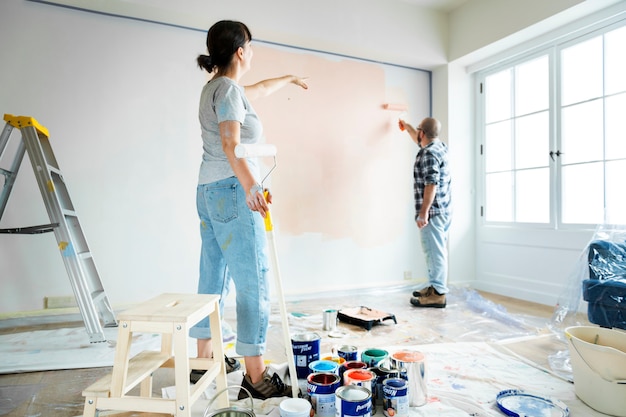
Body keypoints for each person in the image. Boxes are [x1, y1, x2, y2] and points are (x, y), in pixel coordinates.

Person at [189, 20, 308, 399]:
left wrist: (288, 78)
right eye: (251, 47)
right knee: (253, 279)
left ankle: (202, 361)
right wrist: (252, 186)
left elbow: (259, 90)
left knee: (213, 276)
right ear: (241, 51)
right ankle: (256, 378)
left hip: (208, 190)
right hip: (231, 190)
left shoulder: (219, 88)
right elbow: (231, 143)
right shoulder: (227, 91)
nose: (253, 53)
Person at [398, 117, 452, 308]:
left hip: (433, 213)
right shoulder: (439, 147)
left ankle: (438, 293)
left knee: (434, 252)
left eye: (418, 130)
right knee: (435, 251)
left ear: (423, 133)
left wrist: (423, 213)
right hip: (443, 210)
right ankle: (434, 287)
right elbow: (418, 138)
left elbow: (431, 184)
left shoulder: (428, 154)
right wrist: (407, 126)